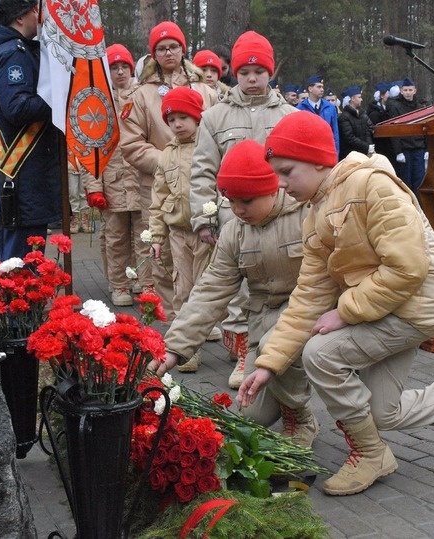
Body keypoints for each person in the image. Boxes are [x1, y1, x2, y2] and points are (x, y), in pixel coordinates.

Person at [238, 111, 434, 496]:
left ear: (318, 160)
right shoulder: (316, 213)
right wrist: (269, 364)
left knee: (322, 354)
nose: (280, 184)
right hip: (386, 305)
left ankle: (370, 454)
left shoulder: (371, 186)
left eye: (286, 171)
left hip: (419, 304)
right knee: (385, 411)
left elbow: (408, 267)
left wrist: (345, 312)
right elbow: (309, 297)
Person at [151, 142, 318, 445]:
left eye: (246, 200)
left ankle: (300, 420)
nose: (237, 209)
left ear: (272, 189)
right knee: (252, 415)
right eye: (229, 199)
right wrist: (174, 347)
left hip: (309, 317)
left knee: (275, 348)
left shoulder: (307, 215)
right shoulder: (234, 231)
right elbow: (210, 291)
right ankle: (287, 395)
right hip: (263, 324)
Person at [188, 30, 297, 384]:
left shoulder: (288, 115)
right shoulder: (215, 116)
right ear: (235, 73)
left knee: (267, 289)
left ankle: (270, 351)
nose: (252, 79)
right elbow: (203, 170)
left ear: (270, 73)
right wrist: (204, 218)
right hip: (230, 216)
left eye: (259, 72)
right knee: (235, 291)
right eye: (245, 72)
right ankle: (241, 356)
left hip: (280, 217)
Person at [119, 21, 217, 320]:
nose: (168, 52)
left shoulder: (206, 90)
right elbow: (131, 144)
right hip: (160, 185)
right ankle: (176, 317)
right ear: (153, 54)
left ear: (183, 49)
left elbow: (218, 133)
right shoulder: (141, 95)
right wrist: (167, 161)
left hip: (203, 185)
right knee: (162, 254)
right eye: (161, 48)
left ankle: (206, 317)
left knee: (207, 254)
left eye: (173, 46)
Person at [0, 0, 61, 262]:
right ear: (18, 18)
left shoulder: (14, 49)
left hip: (18, 179)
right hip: (22, 178)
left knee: (11, 261)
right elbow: (17, 108)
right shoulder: (12, 53)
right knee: (21, 267)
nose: (40, 15)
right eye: (34, 9)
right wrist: (60, 97)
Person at [149, 86, 211, 371]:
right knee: (182, 289)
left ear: (198, 117)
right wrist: (157, 236)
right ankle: (187, 349)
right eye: (171, 119)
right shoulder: (167, 155)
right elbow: (158, 199)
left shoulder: (209, 146)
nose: (177, 124)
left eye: (183, 117)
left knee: (206, 289)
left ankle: (215, 331)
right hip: (178, 233)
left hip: (207, 232)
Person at [82, 44, 147, 307]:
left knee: (145, 236)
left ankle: (145, 281)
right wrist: (93, 186)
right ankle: (119, 284)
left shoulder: (143, 95)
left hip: (141, 179)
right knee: (116, 238)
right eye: (114, 67)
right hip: (113, 182)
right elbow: (91, 147)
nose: (120, 72)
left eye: (124, 67)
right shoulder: (98, 100)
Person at [386, 78, 427, 193]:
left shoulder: (420, 107)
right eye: (405, 90)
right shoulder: (396, 107)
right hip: (405, 149)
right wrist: (398, 151)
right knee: (406, 180)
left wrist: (427, 148)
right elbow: (394, 130)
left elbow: (424, 128)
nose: (408, 92)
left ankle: (418, 205)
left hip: (419, 147)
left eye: (410, 90)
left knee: (419, 179)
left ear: (415, 91)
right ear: (401, 91)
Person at [297, 74, 340, 155]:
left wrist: (335, 154)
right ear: (310, 89)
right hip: (308, 152)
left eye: (322, 87)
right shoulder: (300, 108)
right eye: (319, 87)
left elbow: (335, 134)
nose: (322, 89)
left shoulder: (330, 107)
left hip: (326, 150)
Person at [337, 85, 373, 159]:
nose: (362, 99)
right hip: (351, 155)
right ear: (352, 98)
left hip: (364, 153)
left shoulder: (363, 114)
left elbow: (368, 131)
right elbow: (349, 138)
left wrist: (370, 146)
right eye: (359, 97)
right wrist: (366, 147)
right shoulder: (344, 117)